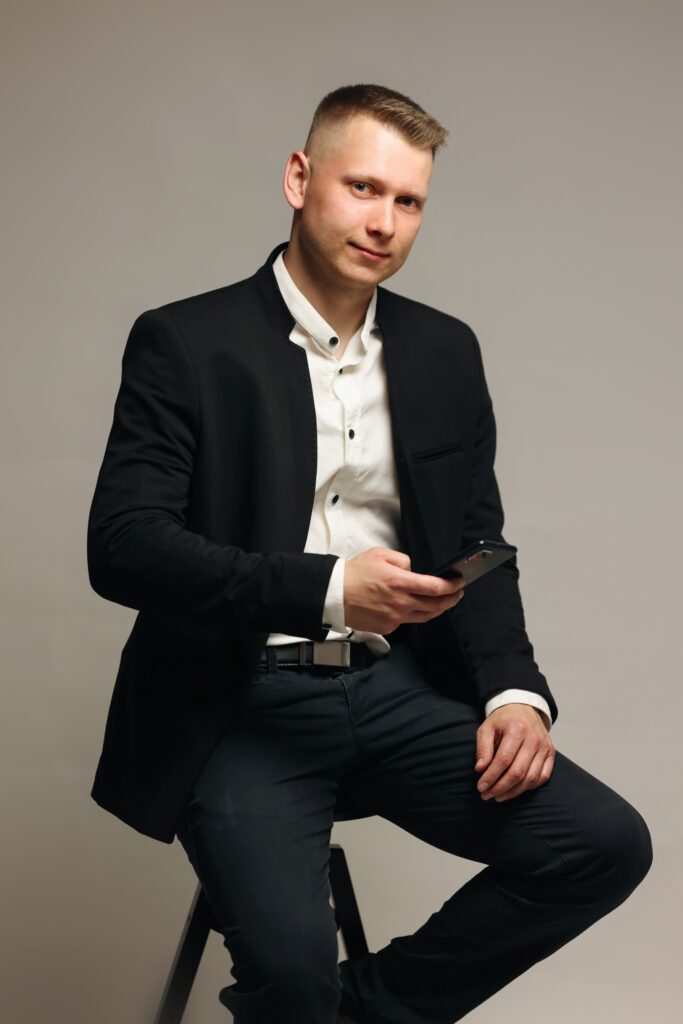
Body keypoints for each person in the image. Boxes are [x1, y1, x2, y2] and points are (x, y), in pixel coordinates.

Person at [87, 84, 652, 1024]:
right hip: (237, 703)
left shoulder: (443, 350)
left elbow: (479, 544)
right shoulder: (185, 341)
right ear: (298, 180)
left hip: (394, 695)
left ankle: (359, 1016)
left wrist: (515, 693)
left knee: (602, 845)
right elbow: (123, 548)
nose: (383, 222)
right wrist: (327, 589)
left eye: (408, 200)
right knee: (289, 976)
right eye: (361, 188)